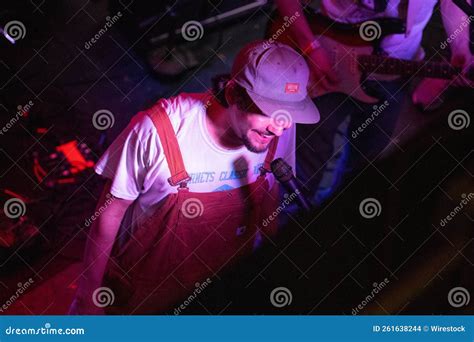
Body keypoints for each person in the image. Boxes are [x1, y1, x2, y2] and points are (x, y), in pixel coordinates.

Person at [69, 41, 320, 314]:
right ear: (235, 93)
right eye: (268, 112)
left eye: (288, 115)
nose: (279, 128)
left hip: (222, 290)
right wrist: (88, 295)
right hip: (142, 297)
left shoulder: (277, 131)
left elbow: (269, 196)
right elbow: (110, 214)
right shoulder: (160, 131)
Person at [276, 0, 473, 202]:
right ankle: (296, 215)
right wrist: (310, 47)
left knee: (368, 160)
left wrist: (460, 46)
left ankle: (342, 209)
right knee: (310, 161)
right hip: (332, 56)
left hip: (397, 67)